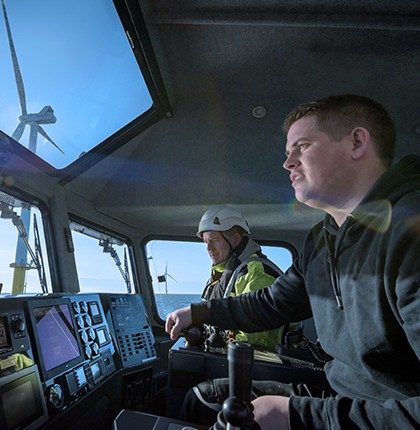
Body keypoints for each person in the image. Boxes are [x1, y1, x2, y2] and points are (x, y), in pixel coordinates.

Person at [166, 94, 420, 429]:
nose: (288, 163)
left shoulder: (410, 228)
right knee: (205, 399)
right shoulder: (322, 240)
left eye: (302, 146)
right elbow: (272, 303)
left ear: (357, 142)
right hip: (338, 392)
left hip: (389, 411)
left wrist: (297, 416)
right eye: (288, 153)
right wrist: (198, 312)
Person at [196, 204, 286, 353]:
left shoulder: (256, 273)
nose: (209, 248)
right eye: (206, 241)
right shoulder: (224, 273)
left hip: (256, 366)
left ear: (236, 239)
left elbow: (253, 343)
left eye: (214, 240)